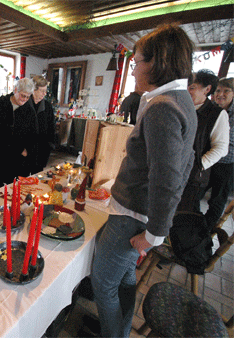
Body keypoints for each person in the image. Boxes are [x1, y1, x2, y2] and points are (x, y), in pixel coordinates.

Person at [90, 23, 197, 338]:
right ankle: (121, 331)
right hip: (141, 213)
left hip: (131, 217)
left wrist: (153, 235)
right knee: (124, 280)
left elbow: (167, 179)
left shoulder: (162, 108)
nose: (133, 70)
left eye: (136, 62)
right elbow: (184, 165)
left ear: (157, 62)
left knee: (102, 282)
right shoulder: (181, 99)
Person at [178, 70, 229, 212]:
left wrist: (199, 165)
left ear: (207, 89)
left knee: (183, 214)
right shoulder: (181, 108)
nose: (187, 91)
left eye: (192, 87)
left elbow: (221, 148)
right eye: (186, 87)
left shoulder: (216, 114)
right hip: (173, 170)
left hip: (193, 178)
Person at [0, 78, 36, 190]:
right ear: (15, 90)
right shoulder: (0, 104)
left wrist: (27, 150)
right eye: (23, 95)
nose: (25, 99)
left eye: (28, 97)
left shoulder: (29, 110)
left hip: (18, 157)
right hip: (0, 153)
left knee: (15, 189)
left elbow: (33, 133)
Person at [203, 77, 234, 230]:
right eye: (218, 91)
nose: (221, 94)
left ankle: (205, 232)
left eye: (226, 91)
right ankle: (187, 228)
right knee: (194, 193)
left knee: (217, 200)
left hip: (227, 163)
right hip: (207, 159)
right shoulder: (210, 110)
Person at [28, 75, 56, 174]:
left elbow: (51, 128)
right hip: (25, 150)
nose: (45, 93)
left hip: (41, 150)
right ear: (33, 90)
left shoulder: (47, 107)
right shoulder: (25, 104)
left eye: (45, 90)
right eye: (41, 90)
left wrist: (49, 146)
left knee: (37, 178)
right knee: (22, 180)